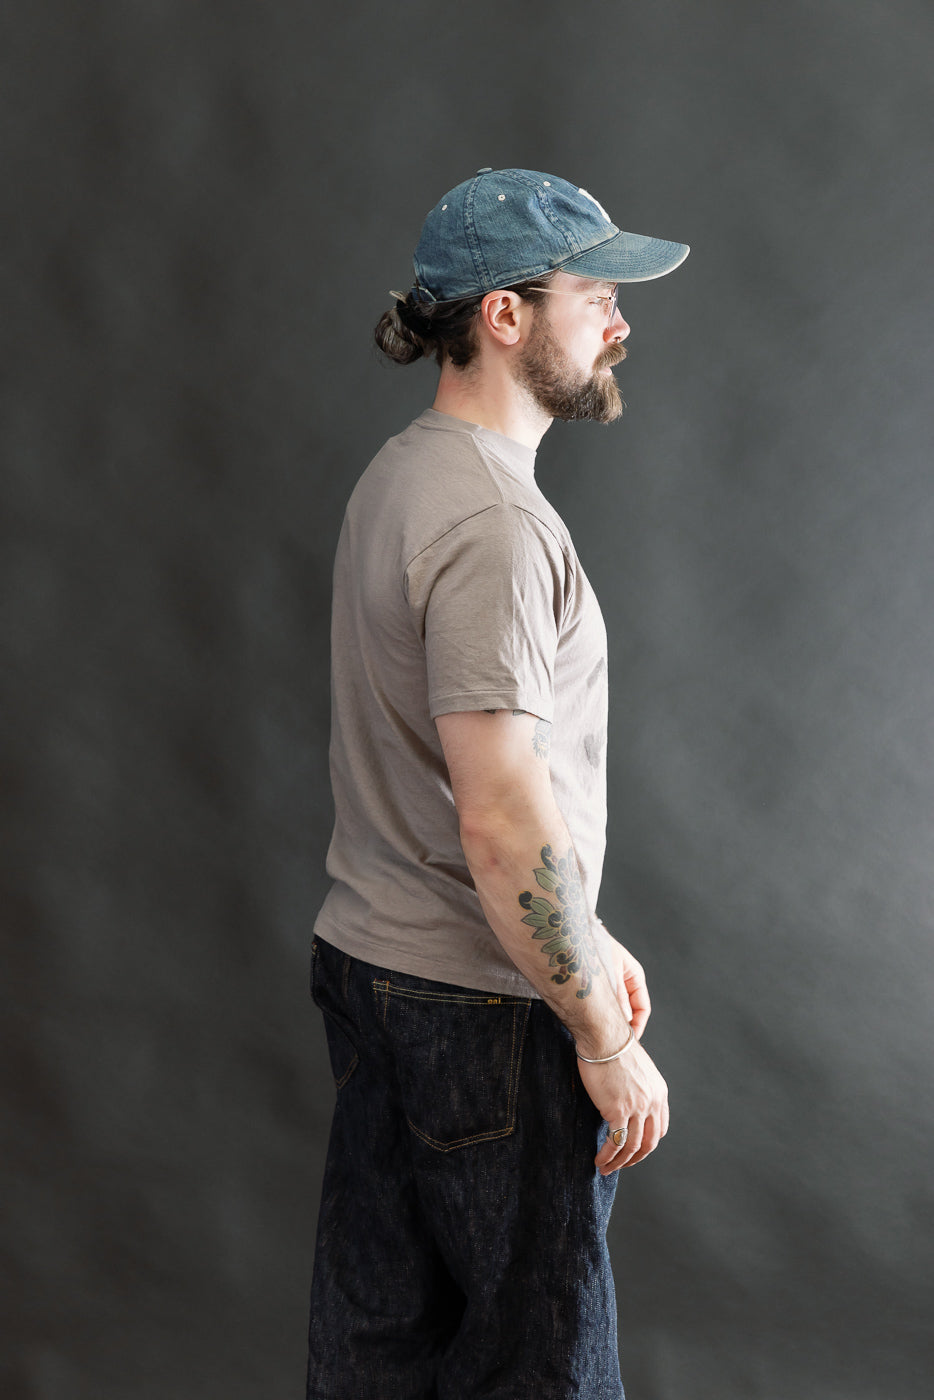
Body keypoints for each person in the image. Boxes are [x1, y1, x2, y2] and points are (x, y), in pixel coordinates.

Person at [306, 167, 689, 1400]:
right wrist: (598, 1028)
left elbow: (439, 785)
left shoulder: (400, 477)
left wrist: (588, 925)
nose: (621, 321)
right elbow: (496, 806)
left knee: (380, 1354)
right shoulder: (495, 527)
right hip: (483, 1008)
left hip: (374, 969)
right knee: (539, 1368)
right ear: (505, 316)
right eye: (596, 293)